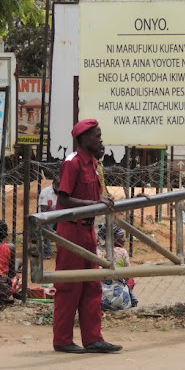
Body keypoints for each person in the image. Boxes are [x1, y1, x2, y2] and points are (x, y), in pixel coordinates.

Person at [53, 119, 122, 354]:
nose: (100, 140)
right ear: (84, 139)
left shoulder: (93, 164)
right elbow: (64, 198)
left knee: (92, 285)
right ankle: (62, 339)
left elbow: (100, 197)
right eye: (96, 136)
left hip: (88, 230)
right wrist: (93, 203)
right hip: (71, 231)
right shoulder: (72, 163)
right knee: (70, 286)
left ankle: (93, 338)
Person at [96, 224, 137, 310]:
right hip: (121, 301)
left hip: (98, 299)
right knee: (131, 280)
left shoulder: (96, 251)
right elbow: (128, 276)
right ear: (113, 238)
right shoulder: (122, 252)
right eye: (121, 237)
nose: (124, 240)